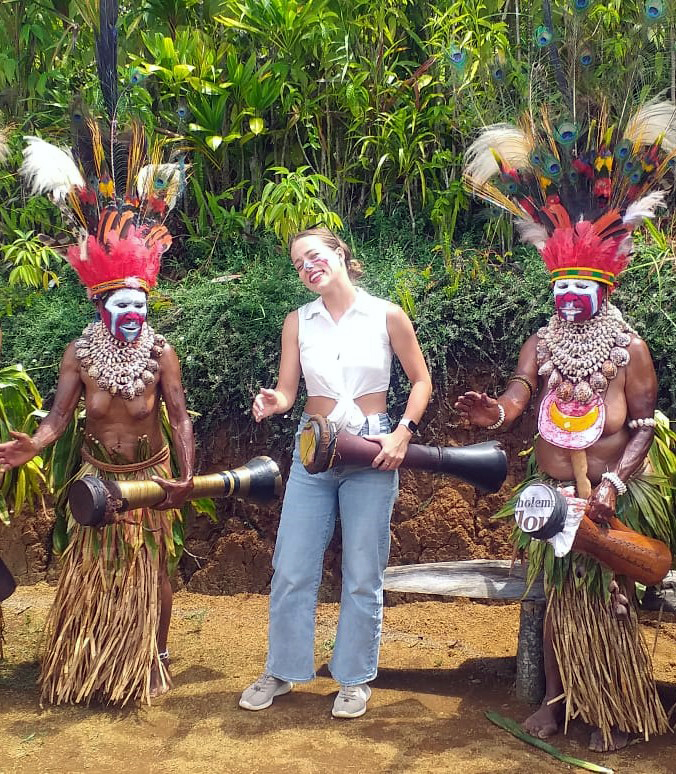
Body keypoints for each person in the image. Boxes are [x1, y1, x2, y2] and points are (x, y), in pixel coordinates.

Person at [457, 102, 676, 751]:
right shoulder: (542, 343)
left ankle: (611, 706)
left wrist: (611, 489)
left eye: (580, 285)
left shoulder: (629, 351)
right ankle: (556, 705)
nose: (568, 297)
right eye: (561, 285)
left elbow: (641, 427)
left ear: (603, 284)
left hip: (608, 499)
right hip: (549, 498)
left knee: (609, 607)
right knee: (555, 606)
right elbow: (519, 399)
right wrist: (493, 413)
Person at [0, 2, 194, 703]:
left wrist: (186, 476)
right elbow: (58, 418)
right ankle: (87, 660)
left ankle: (154, 652)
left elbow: (179, 417)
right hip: (95, 475)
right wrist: (35, 444)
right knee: (92, 563)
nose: (132, 314)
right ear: (100, 304)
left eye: (140, 305)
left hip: (150, 475)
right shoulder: (79, 354)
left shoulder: (163, 352)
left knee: (153, 569)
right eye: (121, 305)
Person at [239, 226, 432, 718]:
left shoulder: (387, 314)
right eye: (298, 264)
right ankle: (281, 671)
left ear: (339, 253)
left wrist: (402, 433)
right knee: (292, 566)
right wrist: (273, 402)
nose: (307, 267)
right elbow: (288, 391)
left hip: (372, 446)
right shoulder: (297, 322)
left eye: (313, 256)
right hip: (314, 446)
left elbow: (420, 380)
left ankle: (353, 679)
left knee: (363, 571)